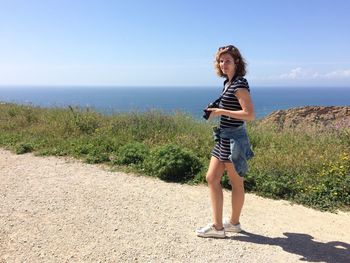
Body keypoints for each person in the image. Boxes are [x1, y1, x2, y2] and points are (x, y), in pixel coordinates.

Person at [196, 45, 255, 238]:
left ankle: (231, 224)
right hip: (223, 137)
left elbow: (249, 114)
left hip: (234, 139)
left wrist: (222, 111)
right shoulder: (228, 83)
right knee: (212, 178)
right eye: (221, 61)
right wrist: (216, 110)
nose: (223, 65)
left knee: (236, 183)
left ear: (237, 62)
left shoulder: (240, 85)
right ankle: (219, 226)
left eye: (227, 61)